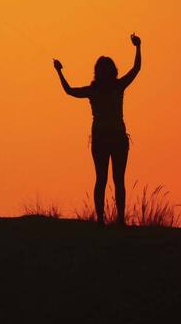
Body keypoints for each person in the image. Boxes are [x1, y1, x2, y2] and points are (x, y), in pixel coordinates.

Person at [54, 33, 141, 225]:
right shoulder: (118, 86)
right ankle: (119, 220)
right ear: (114, 71)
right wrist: (138, 47)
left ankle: (101, 220)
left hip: (102, 138)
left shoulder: (93, 90)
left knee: (101, 179)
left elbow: (69, 91)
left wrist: (59, 72)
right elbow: (136, 69)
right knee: (118, 180)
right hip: (116, 138)